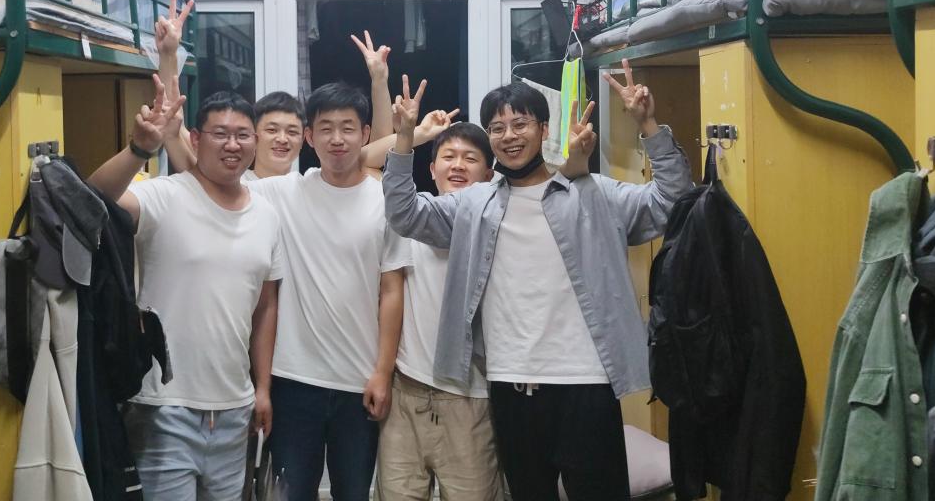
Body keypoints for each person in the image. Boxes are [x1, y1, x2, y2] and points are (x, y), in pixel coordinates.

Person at [382, 65, 694, 501]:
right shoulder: (473, 205)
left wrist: (648, 124)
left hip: (587, 384)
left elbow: (674, 202)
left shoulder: (594, 194)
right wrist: (403, 139)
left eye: (520, 123)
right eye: (497, 128)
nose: (508, 136)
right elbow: (404, 214)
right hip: (510, 387)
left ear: (544, 129)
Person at [85, 78, 283, 500]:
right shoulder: (164, 196)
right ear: (195, 138)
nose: (232, 145)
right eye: (220, 134)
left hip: (235, 408)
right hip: (164, 407)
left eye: (243, 135)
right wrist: (138, 149)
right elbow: (92, 198)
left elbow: (266, 306)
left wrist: (262, 388)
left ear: (255, 142)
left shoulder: (267, 214)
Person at [250, 82, 412, 501]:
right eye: (325, 128)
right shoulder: (282, 193)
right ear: (309, 137)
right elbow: (210, 175)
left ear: (365, 133)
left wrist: (382, 372)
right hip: (293, 381)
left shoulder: (386, 201)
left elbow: (392, 290)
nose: (337, 138)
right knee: (291, 493)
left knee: (354, 493)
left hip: (359, 383)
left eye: (347, 128)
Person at [377, 121, 502, 501]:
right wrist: (407, 135)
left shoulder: (500, 228)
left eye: (470, 158)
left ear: (489, 175)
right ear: (432, 169)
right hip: (405, 394)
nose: (458, 165)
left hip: (471, 400)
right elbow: (362, 162)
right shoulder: (408, 220)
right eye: (448, 157)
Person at [152, 0, 395, 179]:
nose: (282, 139)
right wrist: (168, 54)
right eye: (271, 129)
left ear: (305, 138)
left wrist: (379, 81)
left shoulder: (306, 186)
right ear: (253, 135)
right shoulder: (229, 182)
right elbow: (172, 123)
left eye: (292, 131)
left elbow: (376, 154)